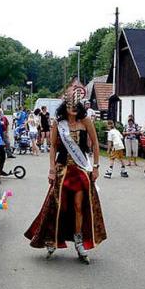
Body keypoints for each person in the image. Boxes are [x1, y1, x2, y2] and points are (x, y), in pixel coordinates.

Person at [25, 95, 106, 264]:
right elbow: (53, 146)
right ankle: (52, 239)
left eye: (76, 105)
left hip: (81, 169)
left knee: (79, 207)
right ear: (65, 106)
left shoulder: (86, 122)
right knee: (58, 205)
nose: (73, 107)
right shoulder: (58, 124)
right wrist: (52, 169)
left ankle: (79, 242)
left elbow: (96, 144)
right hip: (63, 169)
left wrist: (96, 167)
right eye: (70, 104)